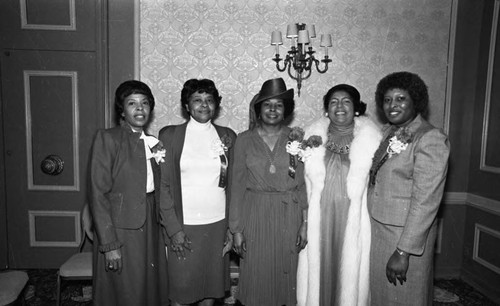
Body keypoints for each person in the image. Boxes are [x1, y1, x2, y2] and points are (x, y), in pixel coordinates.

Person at [296, 84, 382, 306]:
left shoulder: (374, 141)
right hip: (319, 219)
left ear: (356, 108)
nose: (340, 106)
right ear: (326, 109)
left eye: (346, 101)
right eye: (333, 102)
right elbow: (299, 183)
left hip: (355, 219)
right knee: (318, 269)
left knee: (351, 273)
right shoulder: (310, 137)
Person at [368, 71, 450, 305]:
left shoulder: (430, 138)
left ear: (416, 101)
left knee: (404, 298)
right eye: (387, 99)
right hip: (380, 231)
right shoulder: (388, 132)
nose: (392, 105)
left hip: (404, 237)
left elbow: (426, 201)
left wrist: (403, 252)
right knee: (383, 297)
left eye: (401, 99)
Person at [88, 80, 169, 305]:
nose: (139, 108)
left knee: (148, 287)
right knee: (125, 290)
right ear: (122, 110)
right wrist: (110, 245)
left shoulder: (154, 143)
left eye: (144, 103)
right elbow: (98, 194)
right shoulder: (107, 138)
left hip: (149, 225)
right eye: (132, 103)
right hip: (120, 229)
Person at [229, 78, 308, 306]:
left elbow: (303, 184)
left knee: (288, 276)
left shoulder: (297, 138)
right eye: (267, 105)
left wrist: (305, 223)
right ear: (258, 109)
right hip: (255, 214)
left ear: (286, 110)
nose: (273, 110)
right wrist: (236, 229)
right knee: (256, 276)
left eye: (279, 105)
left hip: (290, 215)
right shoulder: (243, 140)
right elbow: (237, 186)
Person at [158, 79, 237, 306]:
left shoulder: (228, 136)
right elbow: (163, 187)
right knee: (180, 293)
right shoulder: (170, 136)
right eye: (197, 100)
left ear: (216, 105)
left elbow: (232, 186)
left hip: (217, 226)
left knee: (209, 293)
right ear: (186, 105)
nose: (204, 105)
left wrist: (231, 229)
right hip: (184, 225)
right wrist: (174, 231)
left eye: (209, 100)